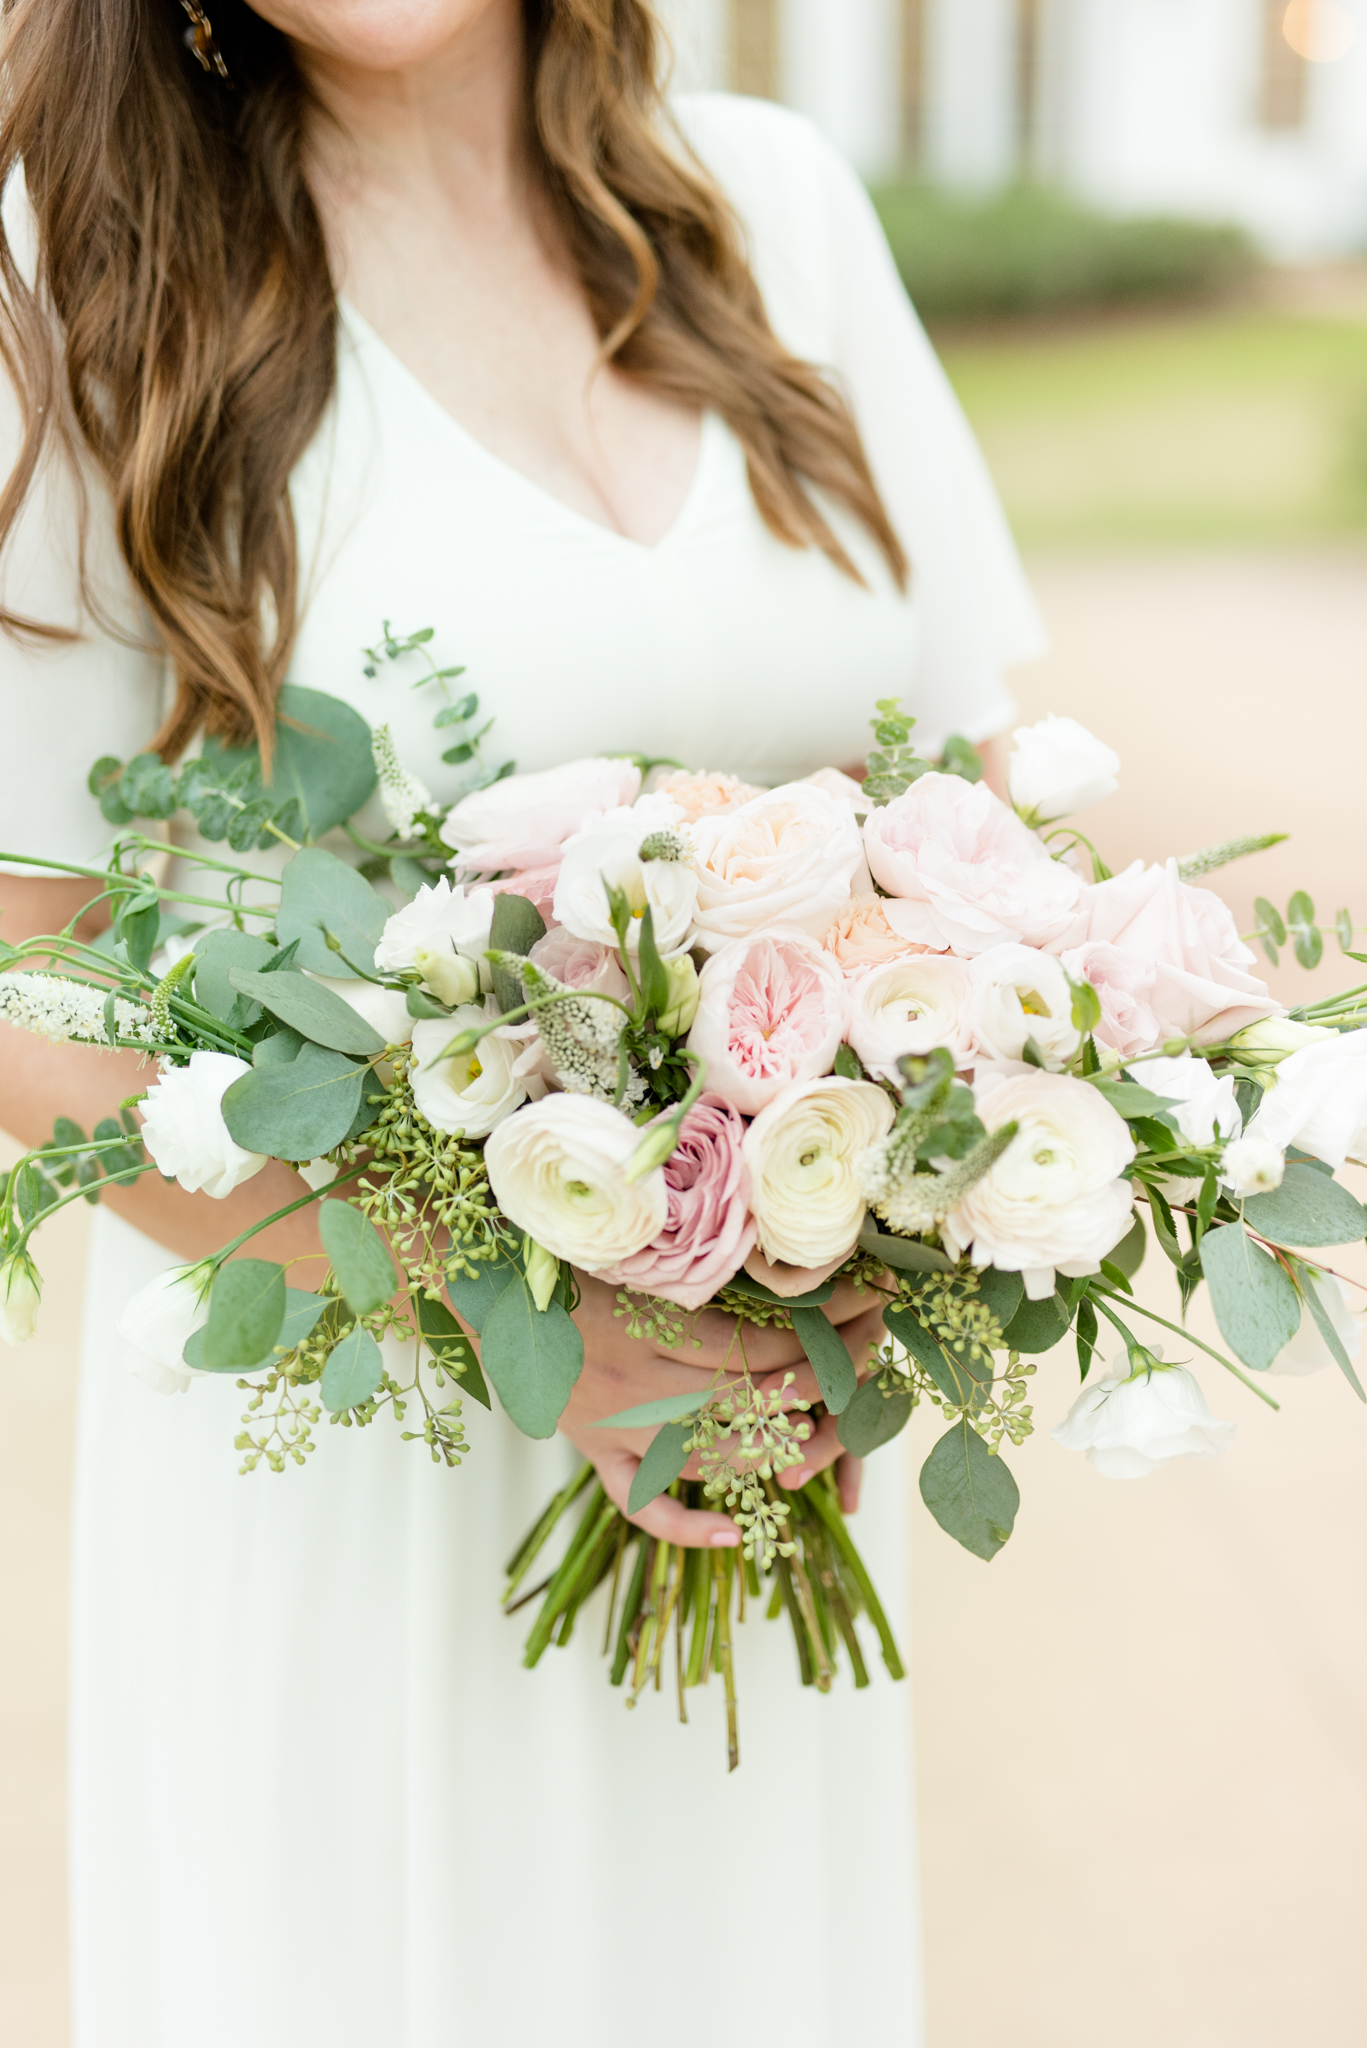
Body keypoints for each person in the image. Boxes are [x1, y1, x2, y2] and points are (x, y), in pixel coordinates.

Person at [0, 3, 1043, 2042]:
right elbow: (33, 993)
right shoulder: (71, 269)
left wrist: (871, 1232)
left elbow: (977, 833)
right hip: (359, 1467)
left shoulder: (781, 214)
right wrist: (529, 1327)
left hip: (762, 1434)